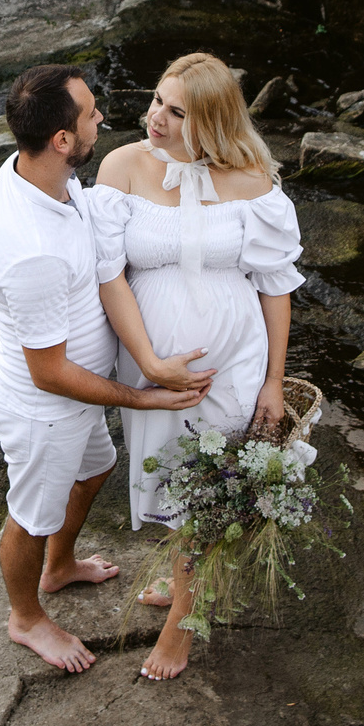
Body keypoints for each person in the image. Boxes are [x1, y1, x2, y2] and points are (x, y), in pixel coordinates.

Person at [0, 63, 216, 674]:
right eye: (90, 115)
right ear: (62, 140)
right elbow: (49, 373)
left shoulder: (37, 172)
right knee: (31, 516)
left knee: (96, 469)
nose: (102, 118)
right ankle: (25, 617)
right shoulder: (31, 250)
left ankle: (59, 568)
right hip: (46, 410)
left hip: (76, 404)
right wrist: (142, 396)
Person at [92, 51, 305, 681]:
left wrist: (273, 382)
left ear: (210, 121)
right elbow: (108, 274)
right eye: (158, 100)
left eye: (177, 112)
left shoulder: (252, 180)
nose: (156, 117)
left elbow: (276, 285)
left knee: (211, 482)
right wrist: (150, 363)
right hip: (150, 361)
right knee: (168, 472)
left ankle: (183, 625)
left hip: (233, 361)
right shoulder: (122, 166)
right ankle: (182, 572)